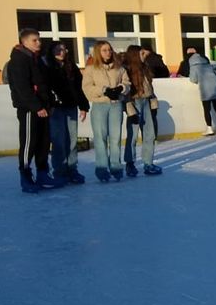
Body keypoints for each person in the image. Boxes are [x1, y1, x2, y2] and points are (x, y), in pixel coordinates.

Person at [7, 28, 59, 192]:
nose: (38, 43)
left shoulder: (36, 59)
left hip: (43, 107)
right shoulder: (18, 60)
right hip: (29, 109)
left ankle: (43, 173)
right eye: (34, 40)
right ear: (24, 42)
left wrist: (49, 104)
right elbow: (23, 88)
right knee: (29, 142)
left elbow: (44, 84)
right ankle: (25, 175)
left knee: (44, 142)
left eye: (39, 40)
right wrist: (36, 107)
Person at [82, 40, 130, 182]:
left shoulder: (119, 68)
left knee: (115, 138)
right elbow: (87, 88)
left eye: (109, 49)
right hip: (99, 105)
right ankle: (102, 168)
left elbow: (127, 82)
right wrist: (104, 90)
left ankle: (116, 166)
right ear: (98, 52)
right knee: (100, 137)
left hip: (116, 105)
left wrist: (121, 88)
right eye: (104, 50)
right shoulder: (91, 69)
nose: (108, 52)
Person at [44, 42, 89, 184]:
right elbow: (45, 88)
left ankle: (72, 168)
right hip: (55, 108)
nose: (61, 52)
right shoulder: (47, 67)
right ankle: (60, 171)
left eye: (64, 49)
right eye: (58, 49)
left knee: (72, 139)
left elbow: (79, 88)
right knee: (58, 141)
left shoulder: (71, 67)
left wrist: (83, 106)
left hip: (71, 106)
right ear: (51, 51)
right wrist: (49, 105)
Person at [121, 45, 162, 176]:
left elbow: (149, 88)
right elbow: (125, 92)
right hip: (134, 102)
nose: (145, 55)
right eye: (142, 53)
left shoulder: (145, 68)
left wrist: (154, 102)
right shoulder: (127, 70)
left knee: (149, 135)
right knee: (132, 135)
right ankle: (130, 163)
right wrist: (129, 108)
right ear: (135, 55)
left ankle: (148, 163)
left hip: (146, 102)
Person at [187, 47, 216, 135]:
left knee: (207, 109)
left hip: (205, 90)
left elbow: (193, 79)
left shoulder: (194, 67)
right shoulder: (208, 65)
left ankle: (209, 129)